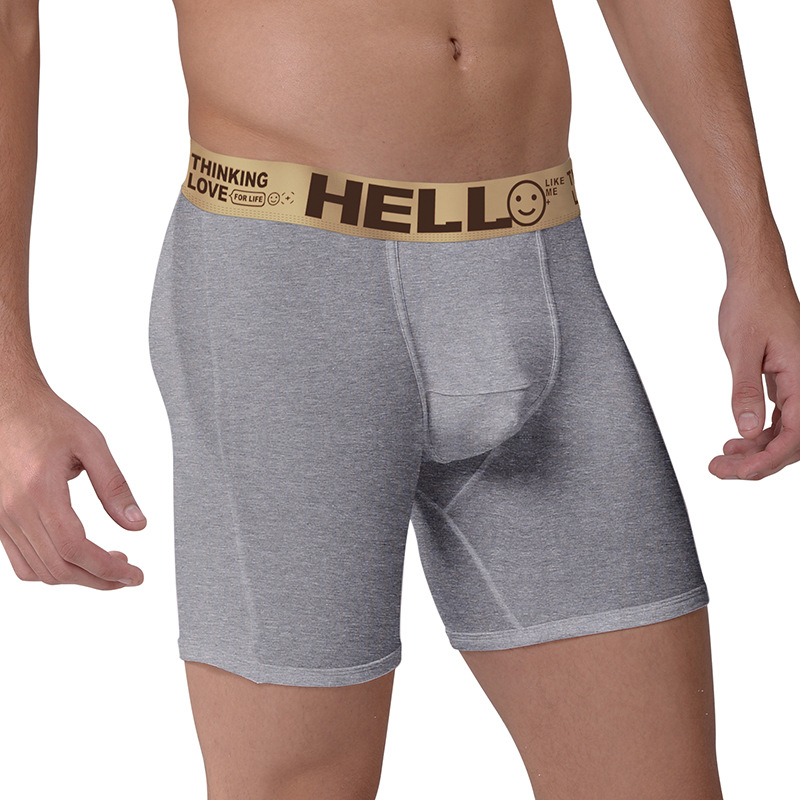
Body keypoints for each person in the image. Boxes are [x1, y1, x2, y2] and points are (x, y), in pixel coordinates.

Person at [1, 1, 798, 799]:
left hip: (539, 264)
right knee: (298, 784)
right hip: (288, 287)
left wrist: (755, 252)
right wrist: (7, 388)